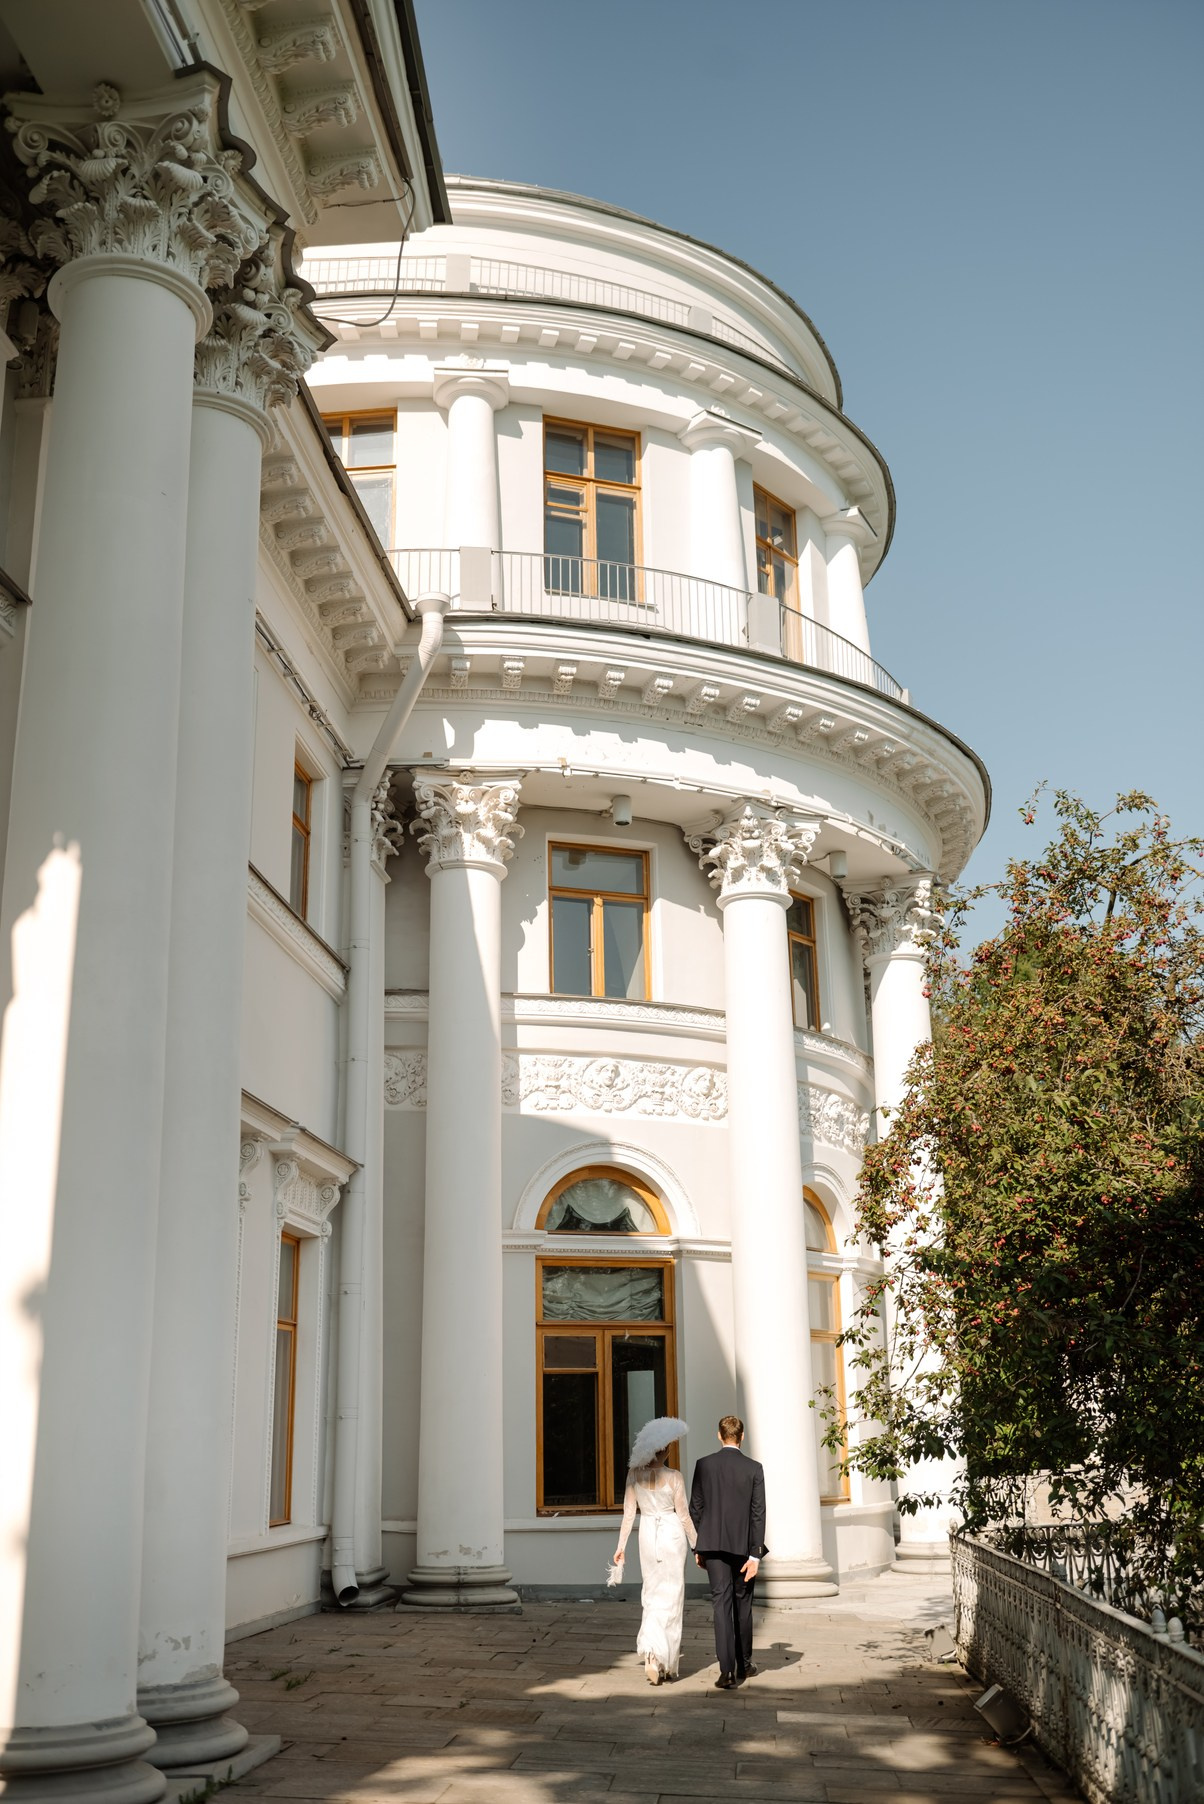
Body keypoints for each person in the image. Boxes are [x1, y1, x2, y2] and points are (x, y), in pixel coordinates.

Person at [612, 1415, 695, 1684]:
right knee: (672, 1595)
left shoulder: (633, 1475)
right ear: (665, 1449)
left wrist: (620, 1547)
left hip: (647, 1533)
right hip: (671, 1534)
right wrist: (698, 1545)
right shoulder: (674, 1477)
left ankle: (651, 1654)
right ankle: (666, 1661)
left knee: (651, 1592)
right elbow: (684, 1516)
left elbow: (628, 1514)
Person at [689, 1413, 767, 1689]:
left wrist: (698, 1546)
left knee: (720, 1604)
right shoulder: (754, 1468)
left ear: (719, 1436)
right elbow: (758, 1513)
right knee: (742, 1604)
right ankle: (744, 1664)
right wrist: (756, 1554)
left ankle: (727, 1671)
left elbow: (695, 1508)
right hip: (743, 1547)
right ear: (742, 1436)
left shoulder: (704, 1465)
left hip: (711, 1545)